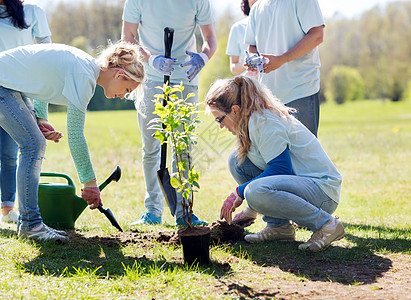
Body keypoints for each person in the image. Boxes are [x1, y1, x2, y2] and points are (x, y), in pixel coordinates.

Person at [0, 41, 145, 242]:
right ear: (120, 75)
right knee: (33, 145)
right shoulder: (84, 76)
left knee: (34, 143)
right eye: (127, 89)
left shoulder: (84, 67)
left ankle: (30, 224)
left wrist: (41, 120)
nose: (122, 96)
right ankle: (31, 225)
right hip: (3, 83)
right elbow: (75, 135)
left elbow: (44, 81)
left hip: (8, 84)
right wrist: (90, 183)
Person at [205, 76, 345, 252]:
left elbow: (280, 168)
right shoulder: (251, 122)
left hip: (322, 193)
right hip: (302, 186)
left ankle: (327, 224)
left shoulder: (264, 122)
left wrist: (240, 194)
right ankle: (279, 227)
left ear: (234, 110)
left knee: (253, 191)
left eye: (219, 119)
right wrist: (252, 207)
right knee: (237, 162)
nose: (220, 126)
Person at [122, 0, 217, 226]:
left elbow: (210, 39)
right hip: (151, 80)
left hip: (186, 80)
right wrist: (151, 59)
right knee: (151, 148)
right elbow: (127, 36)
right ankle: (153, 210)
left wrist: (202, 58)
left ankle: (184, 211)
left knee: (183, 147)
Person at [0, 0, 51, 224]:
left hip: (17, 90)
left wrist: (41, 112)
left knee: (11, 153)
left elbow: (47, 58)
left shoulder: (32, 12)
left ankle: (8, 209)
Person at [244, 0, 325, 136]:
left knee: (304, 155)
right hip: (268, 97)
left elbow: (317, 35)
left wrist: (282, 59)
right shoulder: (257, 7)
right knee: (275, 155)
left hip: (301, 90)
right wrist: (253, 59)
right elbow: (252, 46)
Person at [226, 0, 258, 77]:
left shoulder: (276, 24)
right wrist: (248, 63)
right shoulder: (237, 28)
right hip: (249, 86)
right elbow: (234, 68)